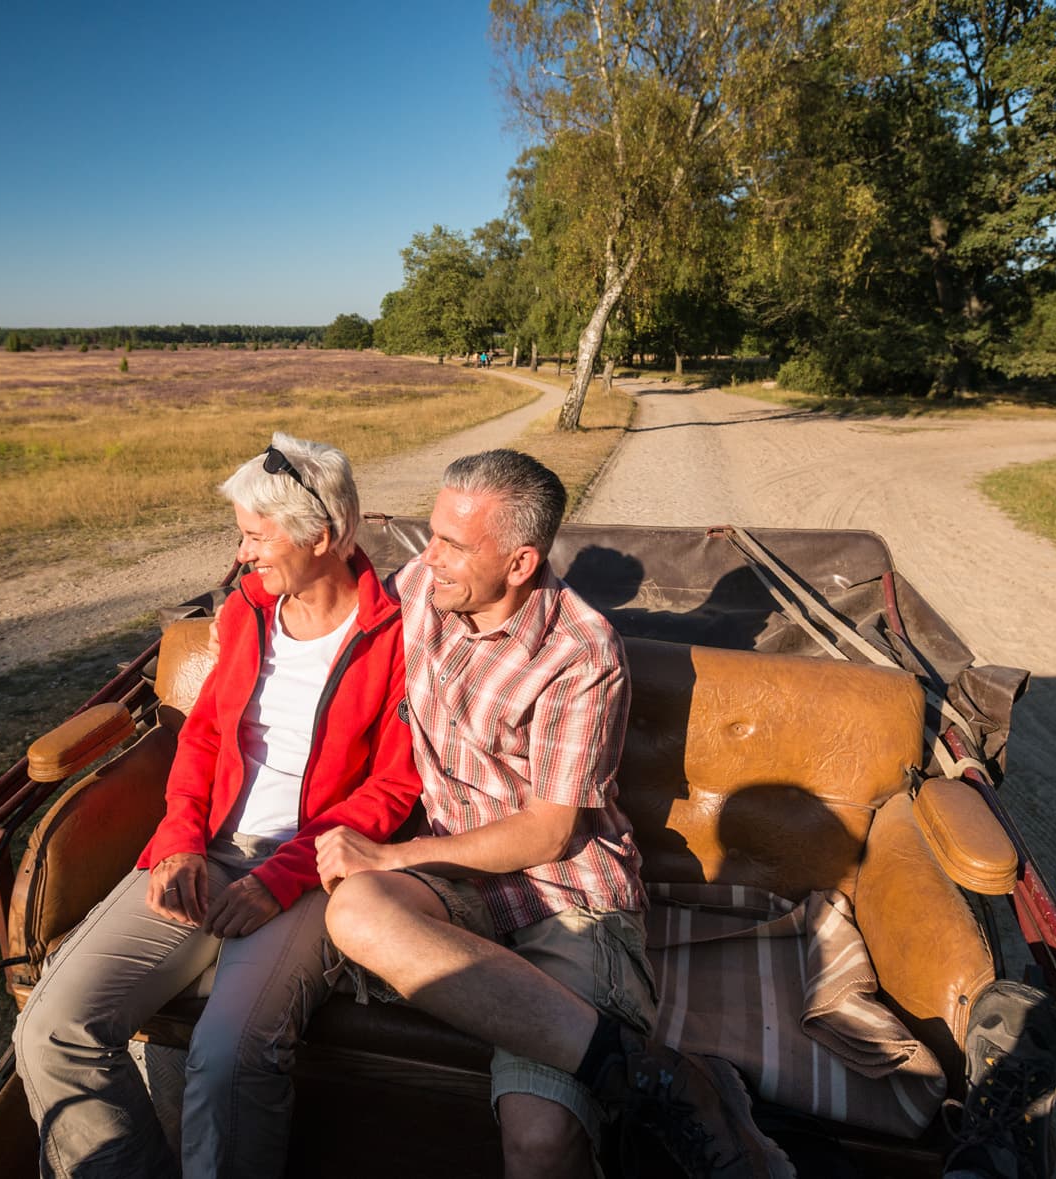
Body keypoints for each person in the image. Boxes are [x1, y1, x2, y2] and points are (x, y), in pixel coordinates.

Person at [316, 449, 792, 1179]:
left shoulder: (582, 648)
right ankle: (644, 1071)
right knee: (354, 913)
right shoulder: (420, 587)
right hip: (457, 876)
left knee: (539, 1145)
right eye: (432, 533)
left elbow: (550, 829)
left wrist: (389, 857)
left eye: (453, 543)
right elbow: (319, 608)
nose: (427, 555)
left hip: (564, 897)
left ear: (518, 562)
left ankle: (656, 1081)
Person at [13, 432, 422, 1179]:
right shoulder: (245, 612)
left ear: (323, 536)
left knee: (229, 1057)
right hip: (207, 848)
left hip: (310, 871)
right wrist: (178, 841)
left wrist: (279, 877)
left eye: (255, 537)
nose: (241, 555)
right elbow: (200, 737)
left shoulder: (399, 634)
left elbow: (393, 788)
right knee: (51, 1028)